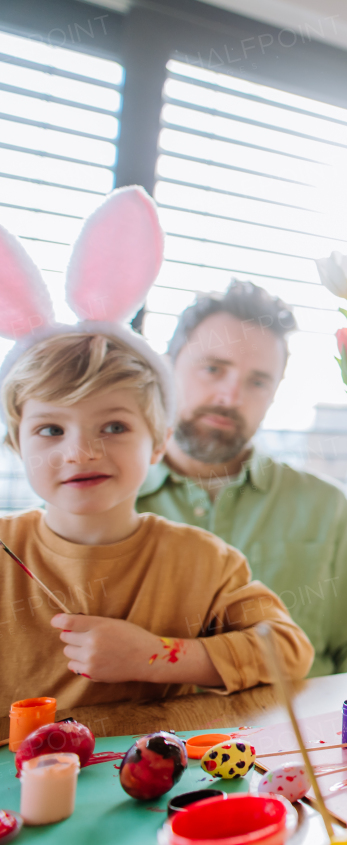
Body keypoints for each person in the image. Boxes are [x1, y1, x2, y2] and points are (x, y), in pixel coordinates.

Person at [0, 187, 313, 709]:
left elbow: (288, 650)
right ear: (15, 442)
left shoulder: (204, 562)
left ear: (160, 440)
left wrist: (157, 656)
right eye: (51, 430)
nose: (81, 452)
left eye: (114, 427)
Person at [136, 281, 347, 677]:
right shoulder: (96, 507)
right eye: (213, 368)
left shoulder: (326, 506)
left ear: (275, 393)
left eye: (257, 381)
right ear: (165, 369)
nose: (231, 396)